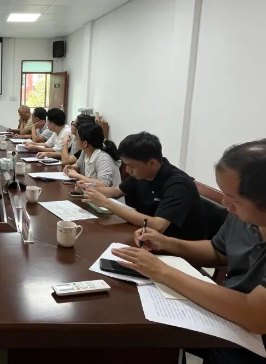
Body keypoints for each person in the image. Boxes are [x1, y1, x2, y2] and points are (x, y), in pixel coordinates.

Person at [113, 139, 266, 364]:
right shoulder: (242, 217)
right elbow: (218, 251)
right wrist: (166, 243)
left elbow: (255, 315)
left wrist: (161, 271)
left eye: (234, 199)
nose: (226, 203)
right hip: (226, 321)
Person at [83, 132, 206, 240]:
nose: (128, 171)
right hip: (145, 237)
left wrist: (106, 203)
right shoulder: (141, 174)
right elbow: (116, 191)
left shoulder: (178, 184)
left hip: (177, 248)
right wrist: (87, 188)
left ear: (152, 163)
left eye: (131, 166)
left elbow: (158, 226)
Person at [64, 122, 122, 188]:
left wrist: (78, 175)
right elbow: (78, 166)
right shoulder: (85, 152)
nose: (75, 140)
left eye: (77, 138)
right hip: (91, 192)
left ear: (85, 143)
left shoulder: (102, 158)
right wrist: (71, 167)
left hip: (108, 194)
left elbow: (104, 185)